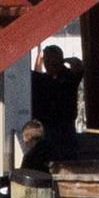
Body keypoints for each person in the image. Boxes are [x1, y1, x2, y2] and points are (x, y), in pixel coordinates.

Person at [22, 44, 82, 172]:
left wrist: (63, 61)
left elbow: (78, 65)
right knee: (42, 162)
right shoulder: (41, 80)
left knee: (67, 163)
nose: (49, 64)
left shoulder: (68, 78)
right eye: (47, 61)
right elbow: (22, 72)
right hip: (45, 128)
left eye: (52, 60)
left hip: (64, 127)